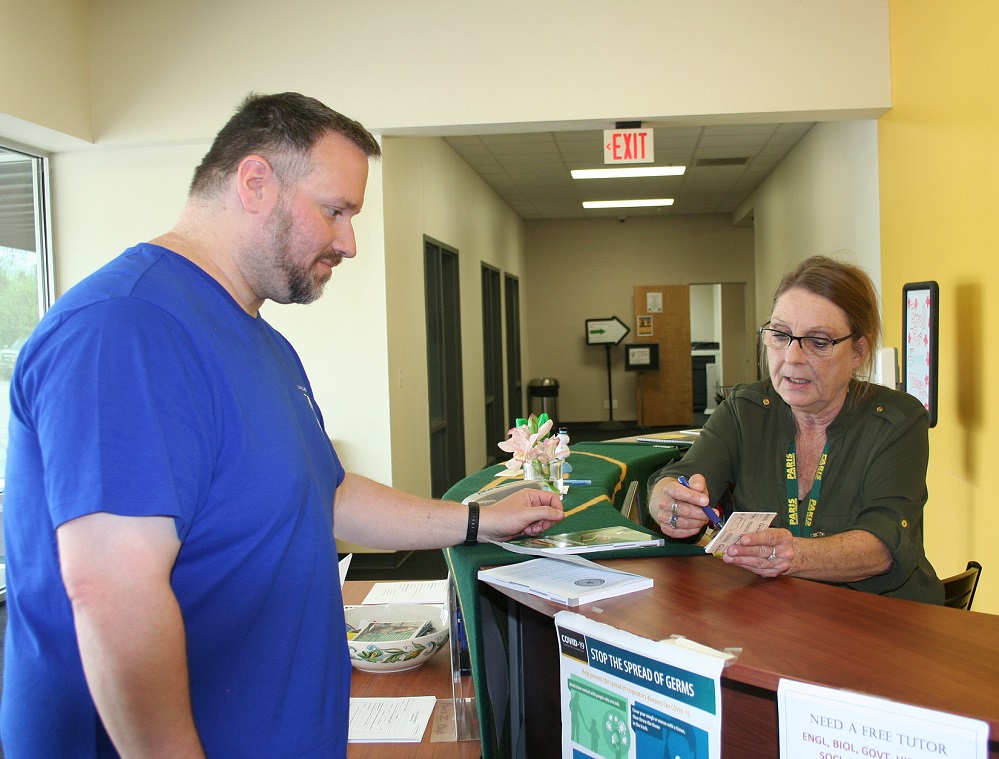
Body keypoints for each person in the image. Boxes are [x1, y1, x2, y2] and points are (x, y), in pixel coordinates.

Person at [1, 92, 564, 758]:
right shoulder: (127, 327)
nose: (349, 241)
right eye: (336, 210)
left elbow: (323, 495)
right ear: (256, 182)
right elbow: (113, 593)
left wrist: (474, 519)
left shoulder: (261, 341)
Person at [649, 255, 943, 604]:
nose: (792, 358)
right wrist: (669, 502)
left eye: (819, 342)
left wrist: (795, 554)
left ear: (858, 352)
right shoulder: (746, 410)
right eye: (780, 335)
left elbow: (883, 545)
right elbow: (679, 478)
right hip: (775, 615)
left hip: (883, 619)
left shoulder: (897, 420)